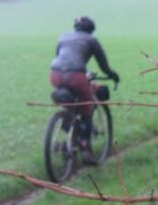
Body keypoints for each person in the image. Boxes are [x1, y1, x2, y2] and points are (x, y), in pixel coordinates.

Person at [49, 16, 120, 151]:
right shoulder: (91, 40)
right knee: (87, 106)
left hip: (55, 74)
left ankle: (68, 122)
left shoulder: (63, 37)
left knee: (70, 102)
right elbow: (103, 65)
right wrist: (113, 75)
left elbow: (59, 57)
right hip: (76, 76)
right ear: (91, 30)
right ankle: (85, 146)